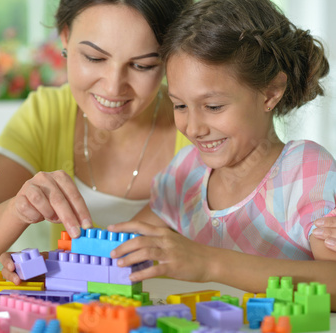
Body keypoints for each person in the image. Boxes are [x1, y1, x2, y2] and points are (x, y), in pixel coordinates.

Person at [0, 0, 193, 279]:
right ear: (65, 37)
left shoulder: (200, 127)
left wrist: (72, 267)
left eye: (142, 65)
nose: (114, 87)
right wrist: (16, 211)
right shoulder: (46, 116)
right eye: (95, 58)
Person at [108, 0, 336, 310]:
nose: (193, 127)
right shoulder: (186, 173)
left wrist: (210, 263)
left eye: (213, 107)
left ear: (270, 92)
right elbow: (125, 250)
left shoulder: (305, 170)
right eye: (180, 105)